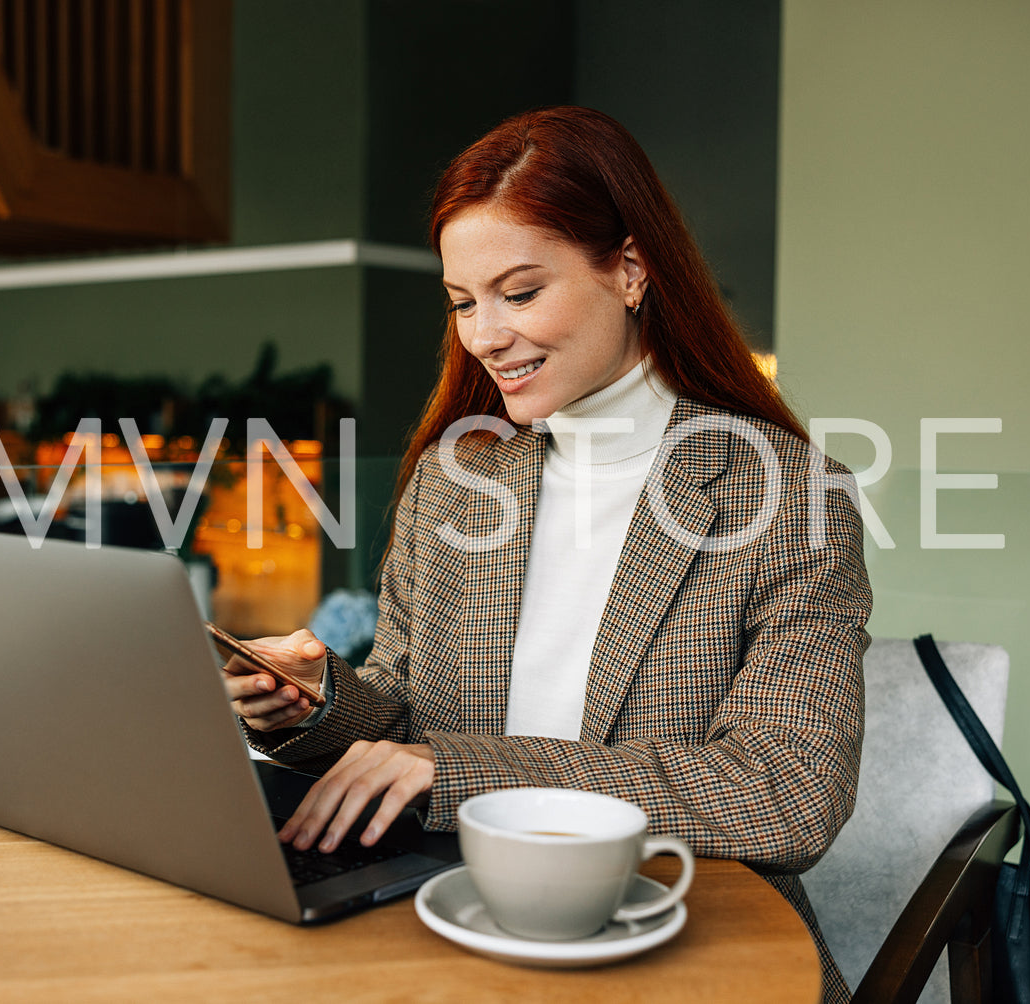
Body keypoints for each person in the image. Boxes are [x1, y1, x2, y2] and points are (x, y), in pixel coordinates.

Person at [221, 106, 871, 1003]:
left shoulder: (788, 498)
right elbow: (403, 723)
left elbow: (787, 793)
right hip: (450, 925)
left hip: (688, 949)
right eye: (462, 302)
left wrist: (461, 772)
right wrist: (310, 704)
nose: (483, 335)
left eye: (519, 293)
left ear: (631, 270)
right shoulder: (458, 479)